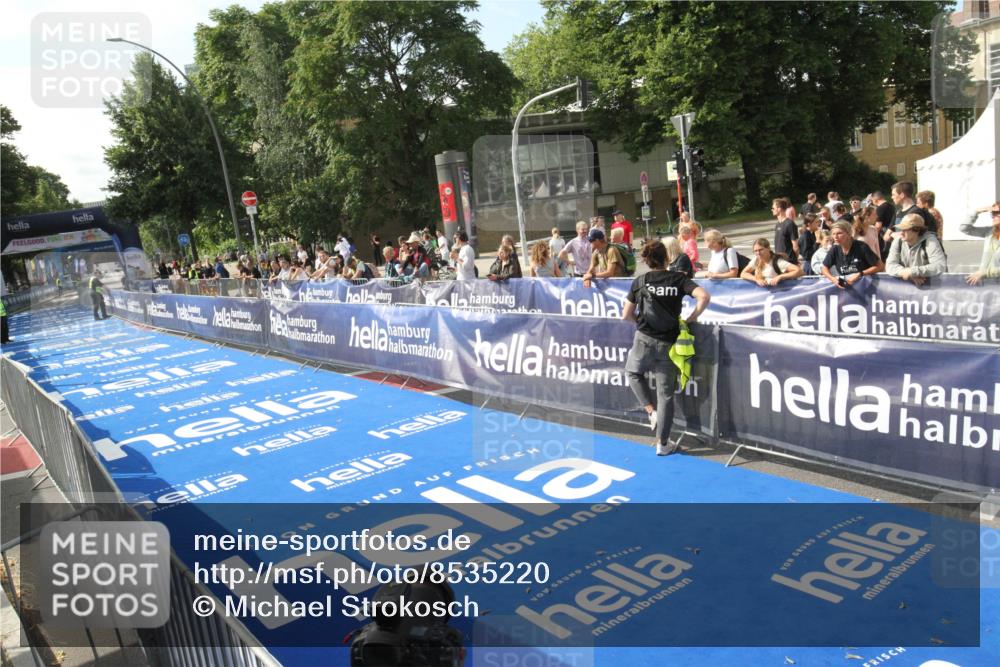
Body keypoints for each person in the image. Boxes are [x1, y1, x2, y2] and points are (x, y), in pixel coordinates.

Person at [621, 240, 710, 456]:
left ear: (646, 259)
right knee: (666, 394)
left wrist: (641, 325)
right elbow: (704, 296)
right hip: (670, 343)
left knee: (632, 372)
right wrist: (691, 318)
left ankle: (650, 411)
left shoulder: (640, 281)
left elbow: (626, 315)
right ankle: (663, 443)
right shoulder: (679, 279)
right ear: (667, 258)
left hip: (643, 338)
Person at [885, 214, 947, 286]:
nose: (901, 232)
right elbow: (889, 266)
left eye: (905, 229)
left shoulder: (930, 241)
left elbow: (939, 266)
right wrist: (906, 273)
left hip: (933, 288)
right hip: (906, 290)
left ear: (916, 230)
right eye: (901, 229)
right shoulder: (898, 241)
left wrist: (913, 271)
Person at [822, 221, 884, 289]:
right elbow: (824, 268)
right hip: (847, 288)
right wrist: (834, 280)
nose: (835, 237)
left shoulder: (861, 246)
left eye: (839, 233)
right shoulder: (835, 248)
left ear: (849, 233)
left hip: (866, 288)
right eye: (833, 234)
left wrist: (860, 274)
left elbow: (880, 266)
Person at [961, 203, 1000, 285]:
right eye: (992, 213)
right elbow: (965, 229)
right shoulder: (990, 231)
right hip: (988, 284)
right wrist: (977, 211)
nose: (993, 216)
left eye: (996, 213)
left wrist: (984, 272)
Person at [772, 197, 799, 262]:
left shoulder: (789, 224)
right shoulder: (778, 224)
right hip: (779, 260)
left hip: (788, 260)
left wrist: (795, 261)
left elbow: (795, 246)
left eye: (773, 208)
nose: (771, 210)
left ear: (779, 209)